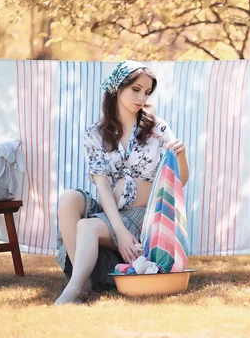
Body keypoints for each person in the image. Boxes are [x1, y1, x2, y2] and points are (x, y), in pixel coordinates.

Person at [54, 60, 189, 305]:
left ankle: (73, 290)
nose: (142, 97)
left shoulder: (157, 129)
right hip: (112, 212)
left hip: (142, 214)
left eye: (146, 92)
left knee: (87, 227)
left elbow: (179, 182)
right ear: (117, 88)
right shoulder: (94, 133)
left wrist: (182, 156)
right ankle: (83, 280)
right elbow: (102, 185)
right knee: (68, 199)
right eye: (136, 89)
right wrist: (119, 231)